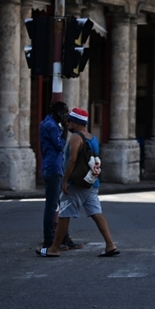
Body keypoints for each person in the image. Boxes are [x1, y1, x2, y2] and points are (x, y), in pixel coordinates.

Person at [37, 108, 118, 257]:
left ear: (75, 122)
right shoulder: (92, 138)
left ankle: (54, 249)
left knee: (64, 215)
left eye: (69, 121)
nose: (67, 123)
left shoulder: (76, 137)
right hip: (91, 183)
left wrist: (65, 180)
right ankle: (110, 245)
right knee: (96, 213)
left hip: (77, 184)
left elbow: (72, 160)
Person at [39, 101, 81, 250]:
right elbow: (59, 145)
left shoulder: (52, 124)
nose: (66, 116)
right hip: (52, 168)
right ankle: (49, 240)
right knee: (52, 206)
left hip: (56, 167)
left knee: (62, 205)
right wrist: (64, 128)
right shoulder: (50, 125)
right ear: (58, 113)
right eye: (64, 113)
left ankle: (63, 237)